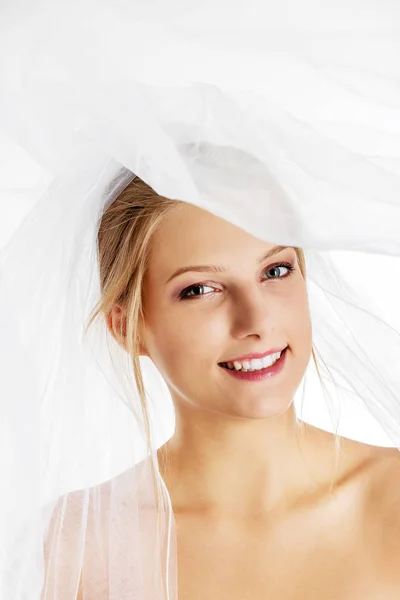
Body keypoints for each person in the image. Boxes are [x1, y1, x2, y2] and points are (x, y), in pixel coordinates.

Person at [42, 174, 400, 600]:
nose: (257, 322)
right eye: (200, 289)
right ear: (128, 327)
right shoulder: (74, 547)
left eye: (276, 270)